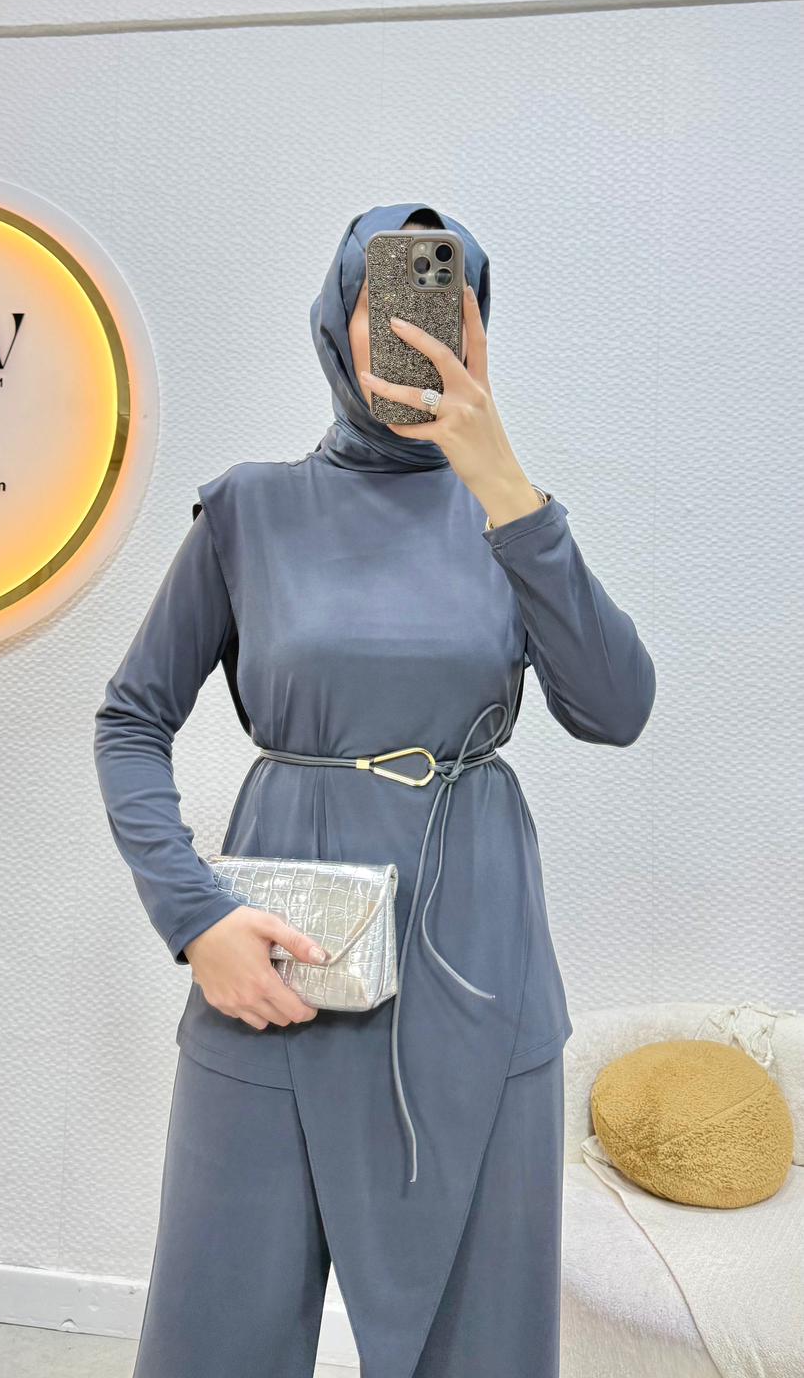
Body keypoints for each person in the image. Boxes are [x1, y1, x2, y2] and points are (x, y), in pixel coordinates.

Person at [93, 200, 656, 1378]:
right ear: (335, 317)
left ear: (478, 327)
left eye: (443, 300)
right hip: (275, 968)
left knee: (482, 1348)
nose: (407, 326)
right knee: (217, 1338)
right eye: (380, 296)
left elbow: (616, 707)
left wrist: (507, 489)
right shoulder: (249, 509)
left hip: (479, 975)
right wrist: (194, 919)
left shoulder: (511, 518)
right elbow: (132, 720)